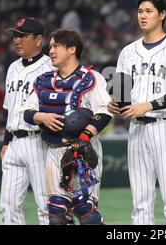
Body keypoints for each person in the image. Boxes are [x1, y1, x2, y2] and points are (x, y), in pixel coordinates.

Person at [107, 0, 166, 225]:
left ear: (162, 14)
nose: (143, 16)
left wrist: (148, 105)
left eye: (148, 11)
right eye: (140, 11)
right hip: (137, 129)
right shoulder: (127, 51)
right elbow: (122, 92)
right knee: (140, 202)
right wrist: (116, 103)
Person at [22, 28, 112, 225]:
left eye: (56, 46)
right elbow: (27, 112)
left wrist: (85, 138)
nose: (51, 50)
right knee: (56, 213)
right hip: (53, 151)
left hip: (82, 150)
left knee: (86, 211)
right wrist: (41, 116)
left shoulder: (91, 78)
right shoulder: (44, 80)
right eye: (51, 46)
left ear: (72, 49)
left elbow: (104, 113)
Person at [0, 17, 53, 225]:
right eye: (15, 36)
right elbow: (10, 109)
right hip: (14, 142)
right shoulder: (12, 67)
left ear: (38, 40)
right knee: (8, 205)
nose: (16, 40)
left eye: (22, 36)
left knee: (46, 204)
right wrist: (6, 141)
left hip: (40, 141)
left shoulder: (50, 66)